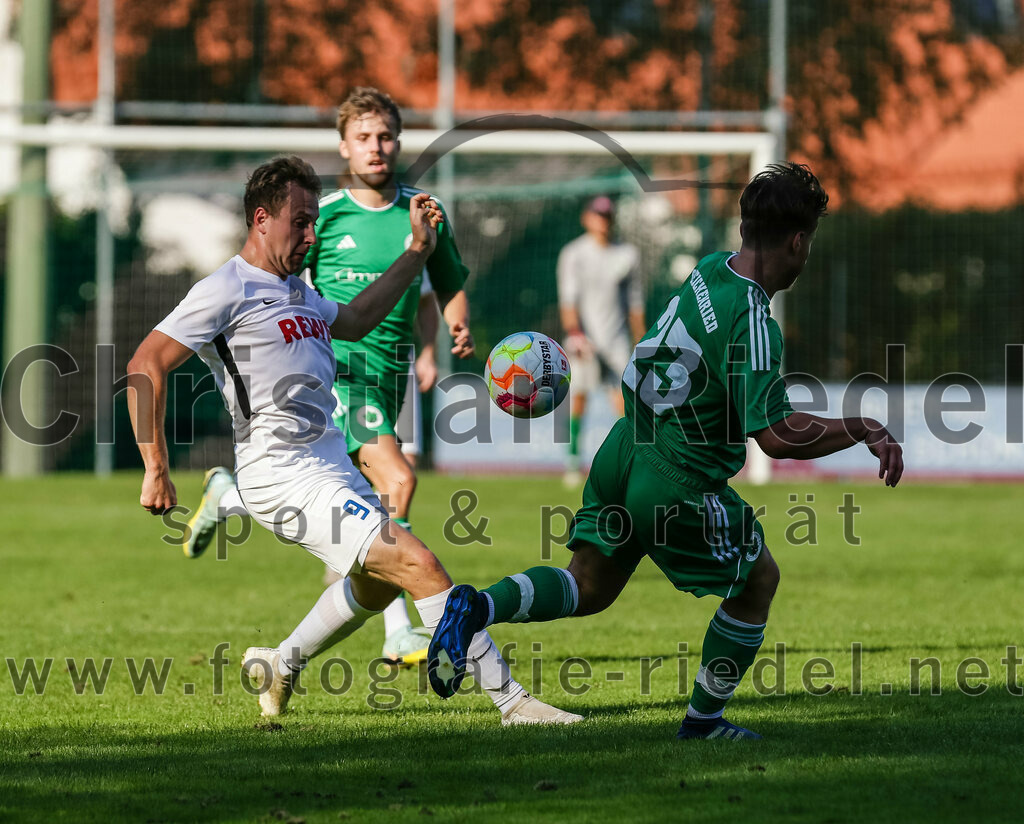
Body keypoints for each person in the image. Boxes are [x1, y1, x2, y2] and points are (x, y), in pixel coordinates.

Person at [426, 162, 904, 740]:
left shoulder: (709, 271)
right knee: (758, 581)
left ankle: (476, 607)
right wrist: (862, 426)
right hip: (675, 479)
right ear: (799, 242)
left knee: (589, 585)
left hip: (624, 447)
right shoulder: (752, 319)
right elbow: (775, 435)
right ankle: (704, 722)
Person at [127, 155, 580, 726]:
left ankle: (281, 663)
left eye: (316, 221)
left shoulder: (296, 291)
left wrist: (417, 252)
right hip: (281, 473)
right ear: (261, 219)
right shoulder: (226, 288)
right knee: (421, 566)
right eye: (300, 222)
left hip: (330, 466)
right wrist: (155, 466)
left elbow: (360, 317)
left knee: (375, 587)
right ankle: (513, 704)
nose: (311, 235)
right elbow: (146, 363)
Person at [182, 88, 474, 668]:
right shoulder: (326, 214)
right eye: (364, 137)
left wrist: (450, 332)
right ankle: (400, 630)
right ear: (344, 146)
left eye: (386, 136)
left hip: (387, 376)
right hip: (339, 375)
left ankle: (232, 498)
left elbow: (444, 282)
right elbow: (289, 290)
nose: (377, 147)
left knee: (359, 502)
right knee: (398, 481)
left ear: (399, 141)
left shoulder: (422, 211)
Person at [557, 195, 646, 486]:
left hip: (616, 339)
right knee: (579, 397)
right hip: (584, 338)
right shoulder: (574, 254)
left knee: (624, 402)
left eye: (607, 216)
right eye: (597, 215)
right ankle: (573, 461)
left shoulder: (627, 255)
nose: (602, 221)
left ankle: (633, 462)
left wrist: (641, 341)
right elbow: (568, 300)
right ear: (587, 217)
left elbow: (635, 304)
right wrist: (575, 334)